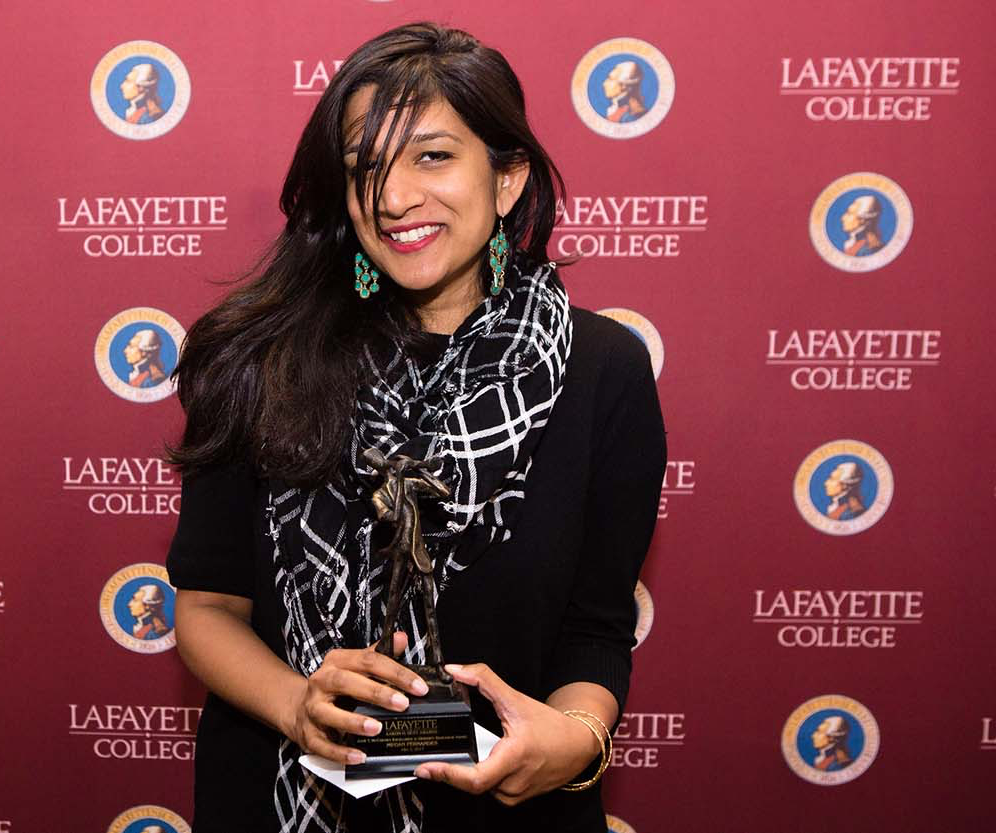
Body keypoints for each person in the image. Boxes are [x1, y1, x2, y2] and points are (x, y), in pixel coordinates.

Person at [164, 22, 665, 833]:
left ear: (507, 178)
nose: (394, 197)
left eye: (432, 156)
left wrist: (571, 742)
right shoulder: (259, 359)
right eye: (365, 166)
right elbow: (207, 608)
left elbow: (595, 632)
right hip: (279, 802)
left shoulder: (603, 371)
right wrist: (297, 705)